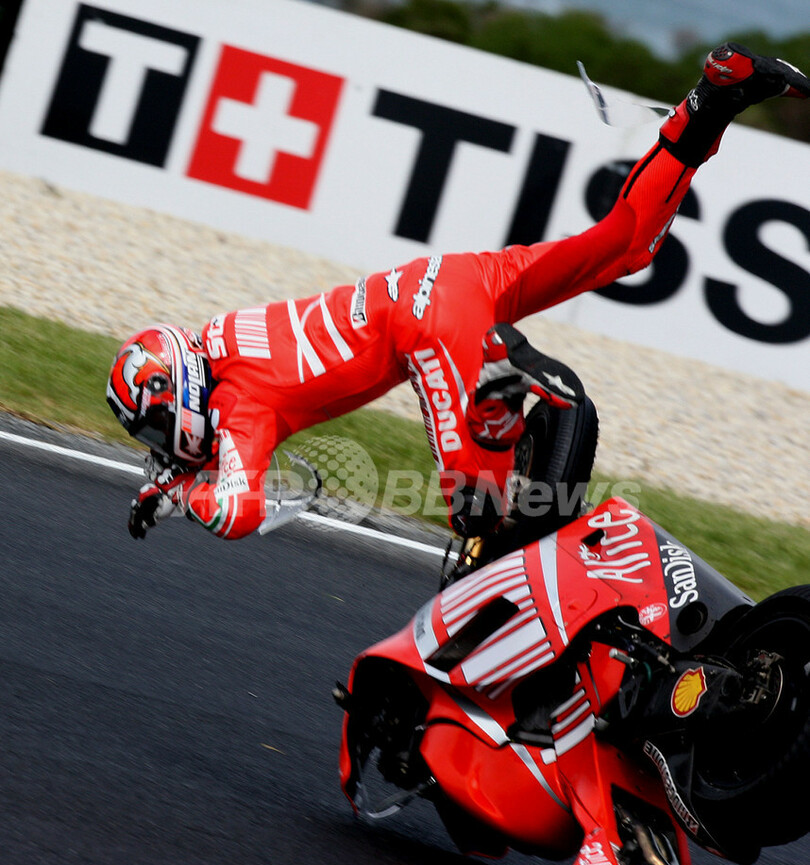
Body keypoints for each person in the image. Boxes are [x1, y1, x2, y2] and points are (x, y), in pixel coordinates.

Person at [107, 43, 809, 542]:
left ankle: (495, 396)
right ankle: (710, 102)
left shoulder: (238, 408)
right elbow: (216, 445)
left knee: (476, 513)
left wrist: (184, 490)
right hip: (448, 282)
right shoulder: (220, 343)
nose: (165, 440)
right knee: (625, 246)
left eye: (158, 425)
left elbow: (238, 512)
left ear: (181, 385)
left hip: (426, 328)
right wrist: (166, 483)